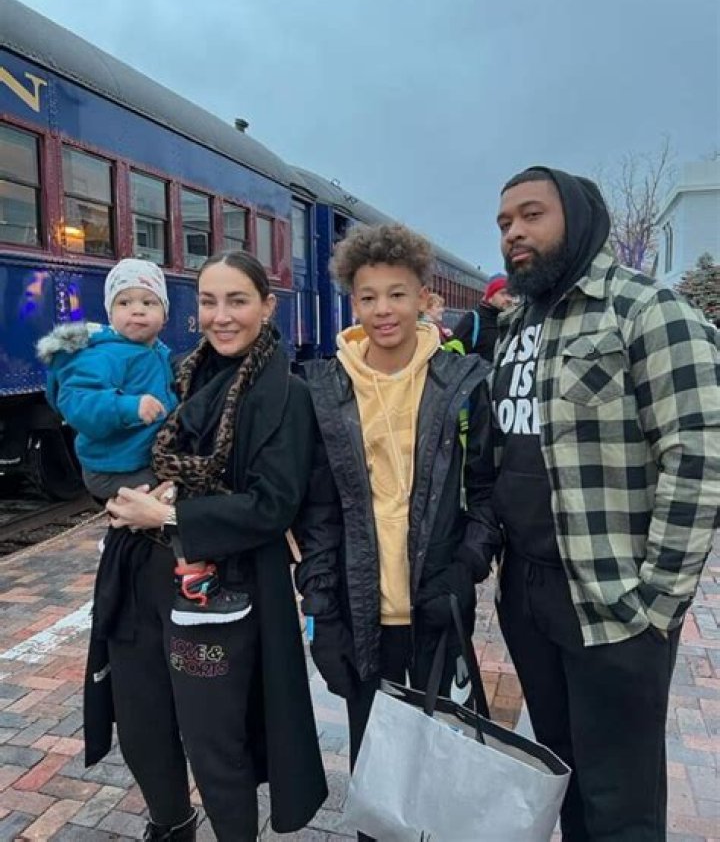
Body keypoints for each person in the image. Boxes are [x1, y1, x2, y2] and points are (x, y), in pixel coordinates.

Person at [482, 166, 719, 840]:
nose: (515, 233)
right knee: (564, 778)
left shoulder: (647, 309)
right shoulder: (522, 319)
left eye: (532, 215)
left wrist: (656, 604)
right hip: (529, 593)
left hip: (613, 600)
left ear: (579, 220)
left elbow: (700, 455)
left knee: (623, 801)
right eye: (504, 223)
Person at [93, 251, 327, 841]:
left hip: (215, 599)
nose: (221, 316)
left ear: (268, 307)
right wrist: (119, 490)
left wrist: (168, 513)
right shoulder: (175, 374)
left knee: (214, 742)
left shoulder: (286, 396)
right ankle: (171, 826)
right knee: (141, 724)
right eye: (207, 301)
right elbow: (107, 441)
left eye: (237, 300)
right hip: (139, 580)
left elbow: (273, 506)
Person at [294, 225, 498, 831]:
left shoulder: (463, 383)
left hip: (436, 608)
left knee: (437, 761)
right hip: (362, 616)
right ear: (351, 301)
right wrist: (321, 608)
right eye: (368, 296)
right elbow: (318, 513)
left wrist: (464, 569)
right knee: (374, 765)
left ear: (423, 298)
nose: (383, 309)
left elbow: (488, 494)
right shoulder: (325, 388)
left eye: (397, 294)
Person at [37, 258, 249, 627]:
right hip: (116, 465)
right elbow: (79, 405)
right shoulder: (99, 354)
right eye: (125, 303)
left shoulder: (155, 351)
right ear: (110, 311)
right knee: (181, 496)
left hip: (133, 457)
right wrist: (129, 407)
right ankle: (195, 583)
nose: (137, 310)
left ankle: (123, 537)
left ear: (164, 314)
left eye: (148, 303)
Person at [453, 273, 513, 361]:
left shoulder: (512, 321)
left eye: (511, 294)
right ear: (490, 297)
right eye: (503, 294)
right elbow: (453, 357)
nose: (509, 299)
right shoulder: (472, 320)